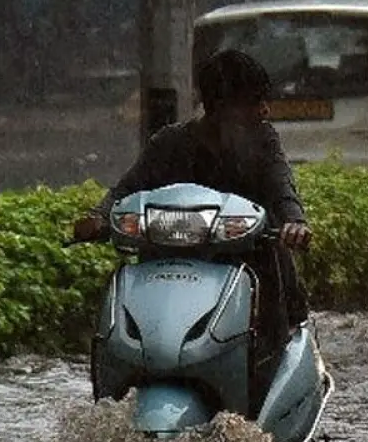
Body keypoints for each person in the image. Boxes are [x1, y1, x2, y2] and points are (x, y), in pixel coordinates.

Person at [72, 50, 314, 371]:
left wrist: (294, 222)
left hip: (248, 259)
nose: (264, 110)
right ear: (223, 107)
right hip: (169, 263)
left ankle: (264, 367)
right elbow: (126, 189)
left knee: (272, 321)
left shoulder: (263, 141)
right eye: (254, 101)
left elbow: (282, 188)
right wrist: (99, 217)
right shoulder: (170, 143)